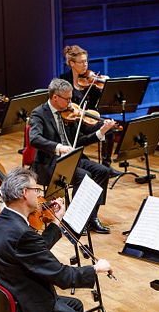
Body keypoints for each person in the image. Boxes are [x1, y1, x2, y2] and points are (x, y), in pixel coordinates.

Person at [0, 167, 112, 312]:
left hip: (13, 299)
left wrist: (56, 222)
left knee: (75, 305)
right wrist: (96, 268)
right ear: (25, 193)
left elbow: (36, 252)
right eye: (36, 190)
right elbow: (62, 276)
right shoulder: (23, 234)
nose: (40, 195)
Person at [29, 78, 116, 234]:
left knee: (102, 171)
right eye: (67, 99)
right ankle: (74, 221)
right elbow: (34, 138)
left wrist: (101, 132)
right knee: (84, 176)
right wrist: (59, 147)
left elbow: (80, 140)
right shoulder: (39, 113)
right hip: (51, 164)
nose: (71, 103)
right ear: (55, 97)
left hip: (73, 159)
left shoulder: (69, 114)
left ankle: (91, 217)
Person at [59, 45, 118, 170]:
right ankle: (80, 161)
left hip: (89, 119)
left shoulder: (91, 80)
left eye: (86, 61)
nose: (85, 64)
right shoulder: (63, 81)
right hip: (71, 122)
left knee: (109, 128)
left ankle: (107, 166)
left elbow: (98, 103)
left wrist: (105, 86)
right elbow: (60, 103)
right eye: (81, 62)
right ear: (72, 63)